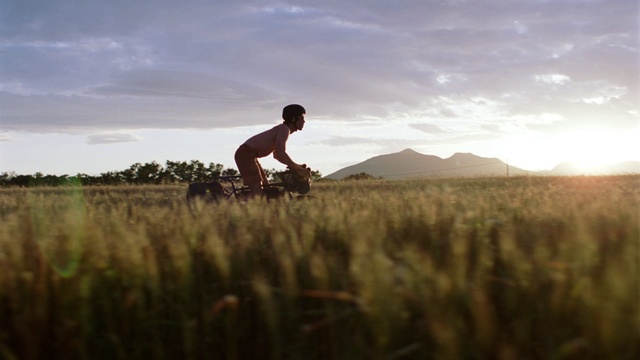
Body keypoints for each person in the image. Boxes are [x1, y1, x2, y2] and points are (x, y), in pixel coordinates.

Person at [234, 104, 309, 197]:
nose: (304, 121)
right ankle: (230, 208)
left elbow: (277, 155)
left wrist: (296, 166)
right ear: (293, 119)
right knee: (257, 193)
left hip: (250, 156)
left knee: (267, 190)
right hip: (246, 155)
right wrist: (297, 168)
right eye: (301, 118)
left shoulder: (284, 129)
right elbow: (281, 153)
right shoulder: (284, 129)